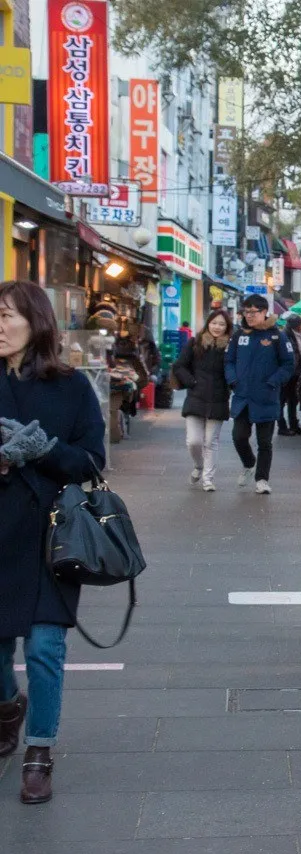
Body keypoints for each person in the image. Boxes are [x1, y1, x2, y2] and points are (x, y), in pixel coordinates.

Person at [0, 280, 107, 804]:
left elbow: (91, 461)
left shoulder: (71, 387)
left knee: (44, 645)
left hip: (50, 537)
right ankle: (7, 708)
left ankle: (38, 751)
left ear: (35, 322)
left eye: (5, 316)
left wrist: (39, 450)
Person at [226, 295, 295, 495]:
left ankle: (262, 479)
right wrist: (233, 380)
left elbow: (288, 365)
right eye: (246, 312)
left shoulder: (277, 336)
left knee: (265, 442)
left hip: (266, 397)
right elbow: (228, 360)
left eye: (253, 312)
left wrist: (273, 381)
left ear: (264, 312)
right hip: (243, 397)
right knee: (238, 436)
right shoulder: (239, 335)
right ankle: (249, 463)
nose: (249, 316)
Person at [172, 309, 232, 492]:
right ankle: (199, 466)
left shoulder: (230, 346)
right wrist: (192, 382)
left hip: (219, 398)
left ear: (227, 327)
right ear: (208, 324)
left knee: (210, 442)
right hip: (196, 397)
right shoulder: (195, 342)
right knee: (194, 441)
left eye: (222, 324)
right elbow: (179, 365)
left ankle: (208, 478)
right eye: (214, 323)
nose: (217, 327)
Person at [279, 313, 301, 436]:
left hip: (295, 373)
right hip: (288, 374)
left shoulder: (297, 335)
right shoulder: (285, 336)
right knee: (282, 401)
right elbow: (290, 356)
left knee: (293, 400)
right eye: (300, 324)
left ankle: (293, 424)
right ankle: (282, 426)